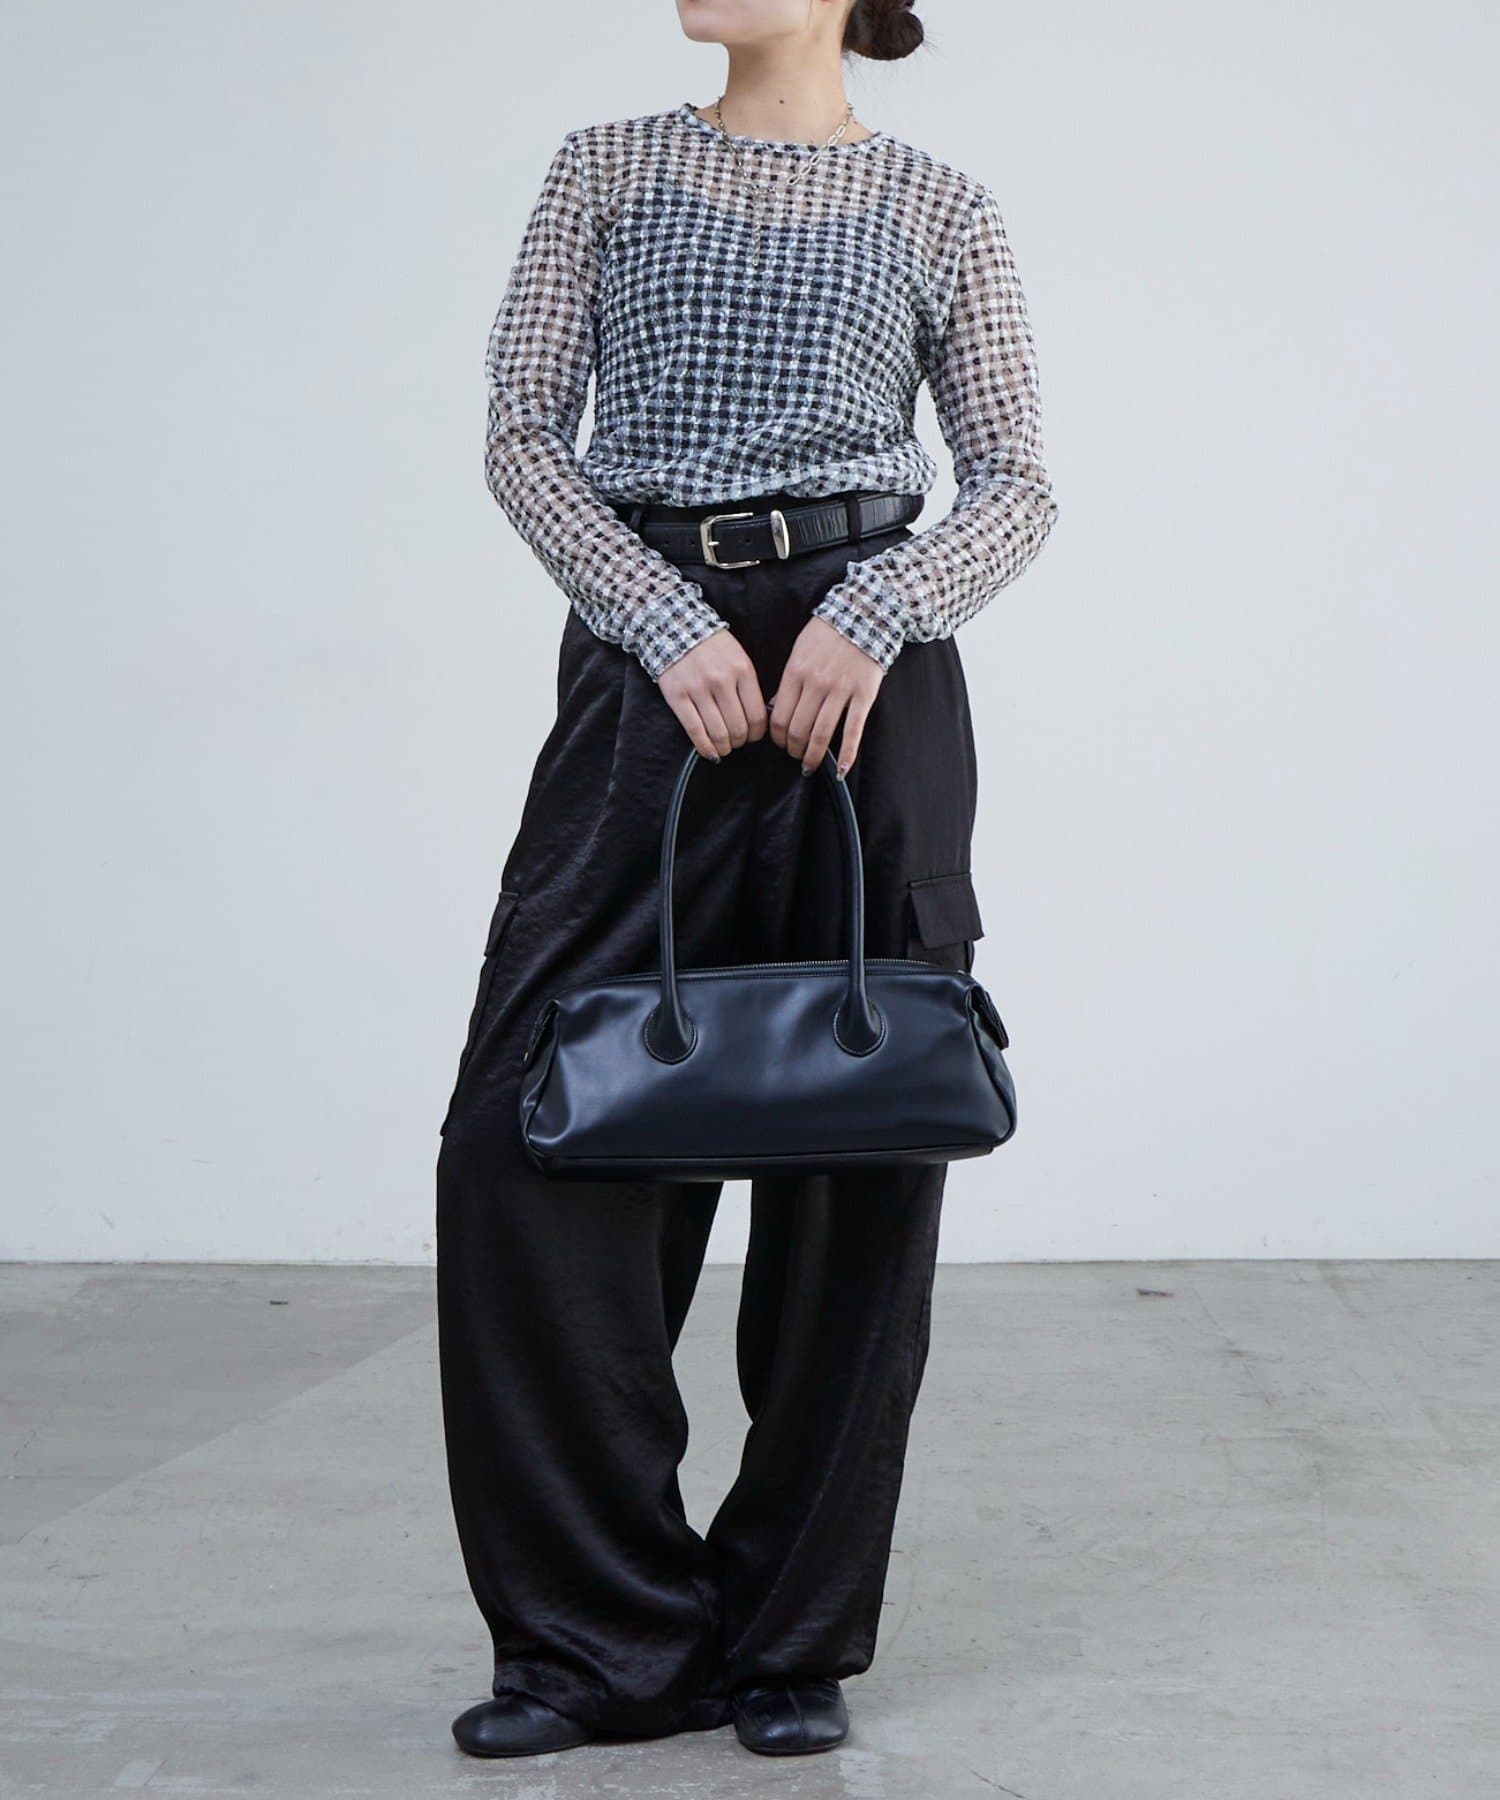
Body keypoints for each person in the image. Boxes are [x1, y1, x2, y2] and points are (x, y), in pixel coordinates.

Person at [436, 0, 1058, 1761]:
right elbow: (521, 435)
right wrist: (654, 615)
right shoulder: (605, 170)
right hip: (652, 682)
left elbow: (1018, 484)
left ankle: (792, 1637)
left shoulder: (942, 203)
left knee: (862, 1147)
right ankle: (598, 1644)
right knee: (526, 1139)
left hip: (870, 689)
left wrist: (879, 609)